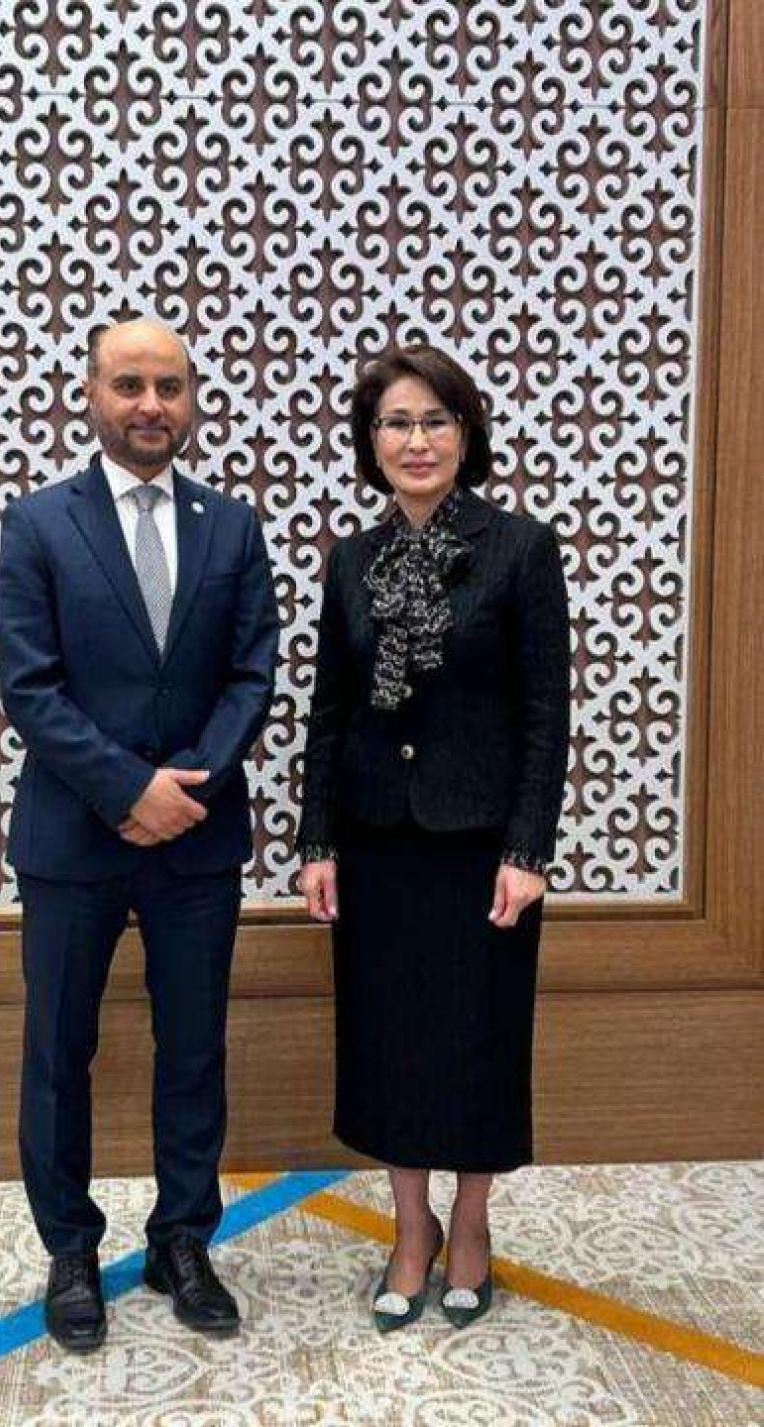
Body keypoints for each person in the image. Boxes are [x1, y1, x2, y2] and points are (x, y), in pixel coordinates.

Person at [0, 317, 279, 1351]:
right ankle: (70, 1249)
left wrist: (183, 787)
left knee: (193, 1047)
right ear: (92, 395)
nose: (150, 403)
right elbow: (29, 684)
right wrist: (128, 789)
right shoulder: (38, 523)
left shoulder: (232, 527)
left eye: (168, 384)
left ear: (191, 398)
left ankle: (182, 1240)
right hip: (72, 838)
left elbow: (253, 671)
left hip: (196, 837)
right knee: (59, 1051)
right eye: (129, 384)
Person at [297, 346, 570, 1332]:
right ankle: (410, 1226)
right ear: (371, 443)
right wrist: (317, 839)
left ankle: (473, 1222)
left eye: (435, 420)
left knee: (478, 1040)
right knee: (392, 1043)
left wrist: (528, 851)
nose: (417, 440)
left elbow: (546, 715)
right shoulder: (352, 560)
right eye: (396, 423)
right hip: (378, 842)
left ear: (466, 433)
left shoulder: (519, 549)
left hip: (481, 847)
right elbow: (330, 712)